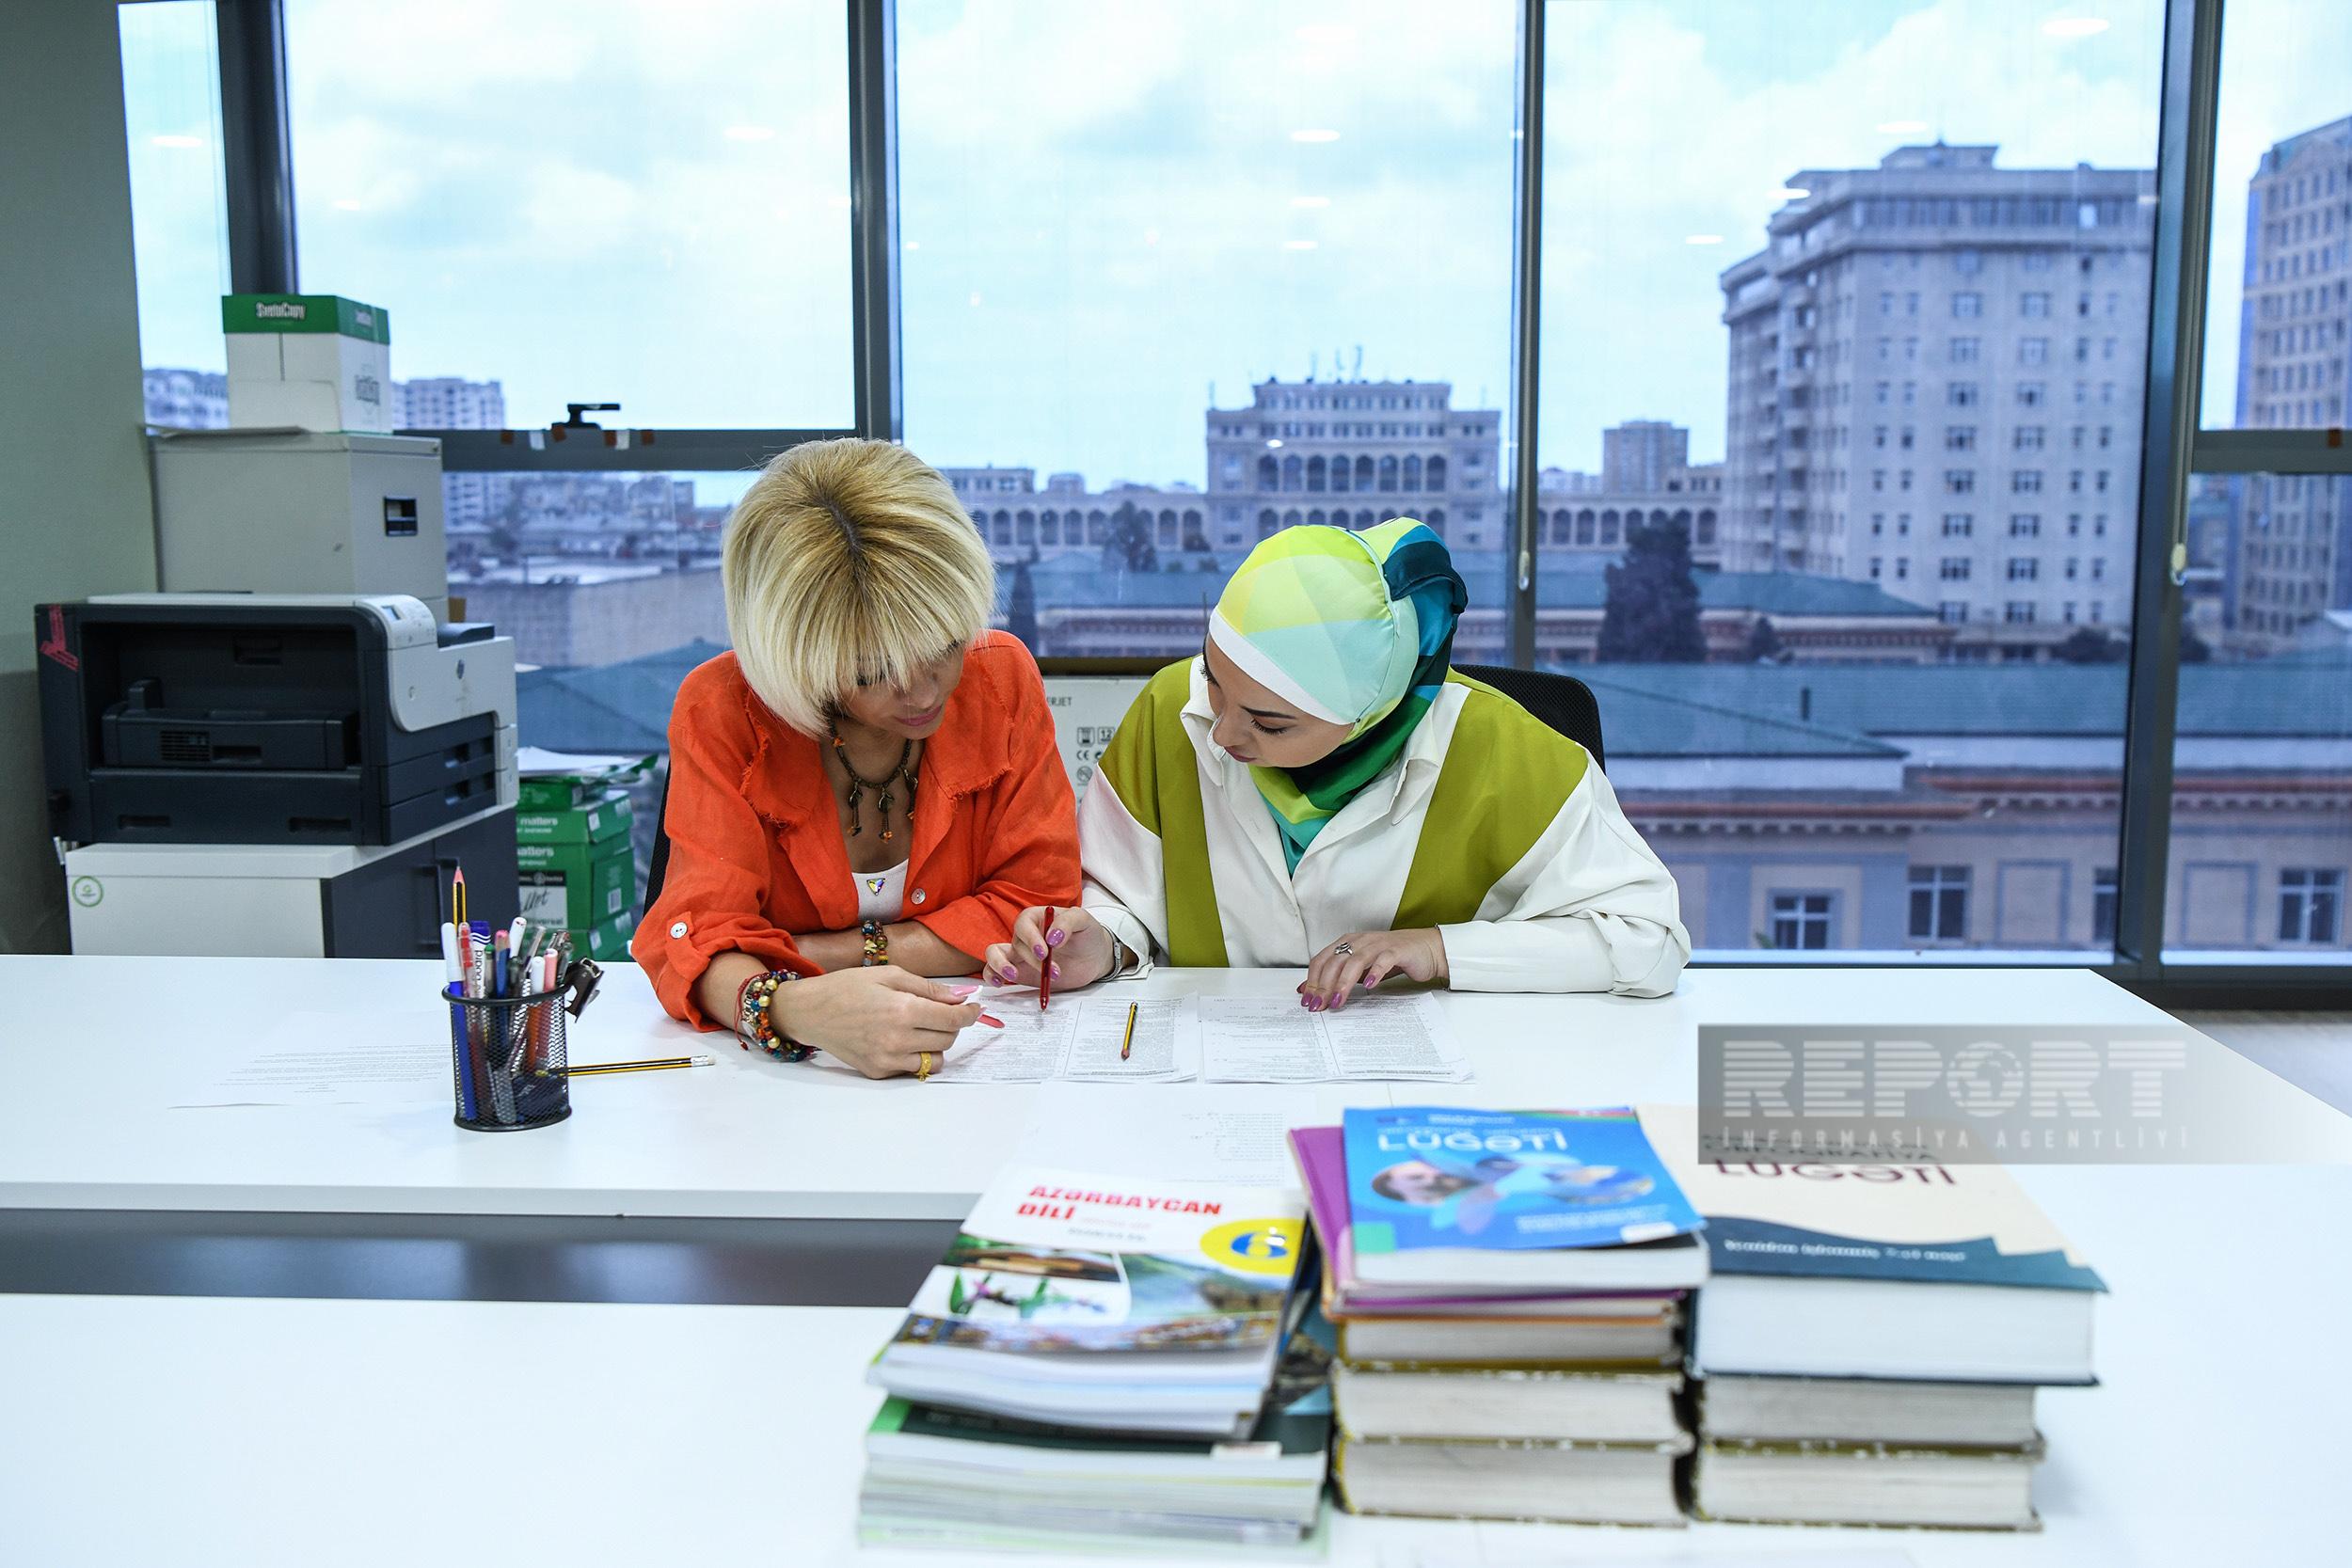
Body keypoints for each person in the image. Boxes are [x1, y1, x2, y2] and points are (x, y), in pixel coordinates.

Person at [981, 518, 1687, 1006]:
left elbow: (1649, 940)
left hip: (1426, 1094)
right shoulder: (1171, 711)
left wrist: (1437, 950)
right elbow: (1121, 897)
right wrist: (1101, 944)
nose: (1220, 733)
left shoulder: (1507, 752)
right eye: (1214, 679)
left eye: (1270, 721)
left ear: (1369, 712)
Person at [634, 437, 1080, 1079]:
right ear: (793, 654)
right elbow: (693, 944)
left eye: (945, 644)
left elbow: (1037, 902)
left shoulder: (1001, 678)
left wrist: (817, 955)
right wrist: (794, 1010)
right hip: (774, 1090)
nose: (923, 693)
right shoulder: (723, 709)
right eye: (872, 671)